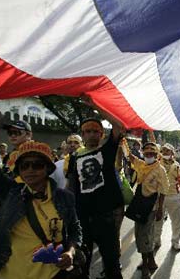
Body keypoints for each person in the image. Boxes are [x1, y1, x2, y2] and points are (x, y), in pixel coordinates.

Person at [0, 101, 82, 279]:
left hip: (53, 274)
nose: (30, 170)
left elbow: (75, 230)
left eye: (37, 165)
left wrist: (70, 252)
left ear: (47, 169)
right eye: (24, 166)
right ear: (19, 170)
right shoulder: (11, 192)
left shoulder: (63, 197)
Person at [67, 113, 125, 279]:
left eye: (95, 131)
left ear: (102, 135)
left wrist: (96, 106)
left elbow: (118, 126)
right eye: (87, 131)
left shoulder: (107, 150)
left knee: (112, 264)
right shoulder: (74, 157)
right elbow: (71, 185)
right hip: (82, 218)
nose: (91, 134)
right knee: (81, 264)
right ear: (83, 135)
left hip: (106, 217)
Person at [126, 142, 168, 279]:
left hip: (152, 207)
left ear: (156, 155)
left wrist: (160, 209)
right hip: (139, 205)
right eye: (147, 154)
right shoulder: (141, 165)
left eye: (152, 154)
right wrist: (122, 141)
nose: (149, 156)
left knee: (144, 235)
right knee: (142, 234)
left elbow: (163, 191)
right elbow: (130, 157)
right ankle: (151, 261)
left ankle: (145, 265)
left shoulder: (160, 169)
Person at [154, 143, 180, 251]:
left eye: (167, 151)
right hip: (160, 196)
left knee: (176, 221)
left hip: (174, 196)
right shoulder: (157, 163)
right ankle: (156, 241)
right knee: (158, 220)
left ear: (172, 152)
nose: (165, 153)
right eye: (163, 151)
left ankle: (175, 241)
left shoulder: (176, 165)